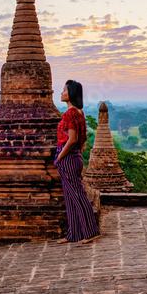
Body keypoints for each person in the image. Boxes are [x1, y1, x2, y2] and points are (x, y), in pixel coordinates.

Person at [54, 80, 101, 244]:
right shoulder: (79, 113)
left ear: (71, 94)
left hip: (67, 156)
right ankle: (74, 234)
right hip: (74, 156)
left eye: (64, 90)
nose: (61, 93)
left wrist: (60, 157)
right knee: (70, 197)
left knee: (78, 195)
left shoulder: (70, 114)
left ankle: (91, 231)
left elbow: (73, 139)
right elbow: (83, 138)